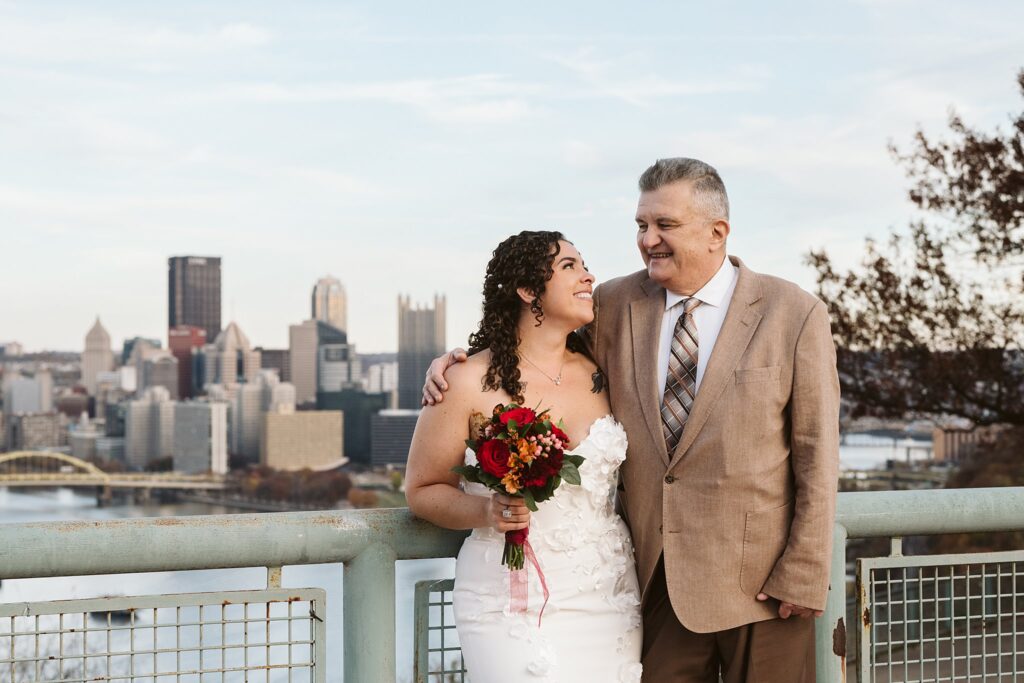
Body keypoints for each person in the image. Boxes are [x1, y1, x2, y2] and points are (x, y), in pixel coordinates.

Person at [423, 158, 840, 682]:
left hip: (761, 586)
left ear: (717, 233)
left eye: (665, 225)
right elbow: (535, 351)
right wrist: (459, 360)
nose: (648, 240)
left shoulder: (793, 313)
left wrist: (803, 573)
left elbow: (816, 454)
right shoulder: (614, 304)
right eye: (642, 226)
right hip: (650, 584)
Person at [405, 230, 644, 683]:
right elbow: (422, 489)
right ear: (528, 289)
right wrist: (487, 509)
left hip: (607, 593)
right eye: (569, 266)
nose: (588, 276)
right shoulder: (465, 380)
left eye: (585, 264)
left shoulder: (603, 371)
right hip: (506, 599)